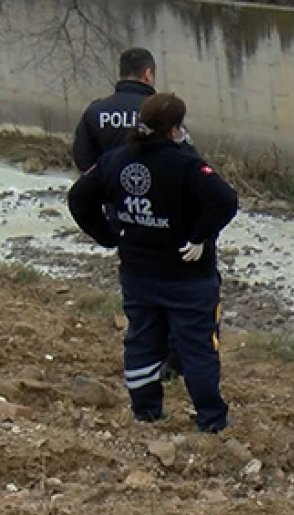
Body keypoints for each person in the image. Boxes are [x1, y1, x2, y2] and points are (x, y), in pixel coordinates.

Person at [66, 93, 238, 433]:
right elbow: (225, 200)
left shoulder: (115, 161)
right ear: (174, 128)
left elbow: (79, 198)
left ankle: (146, 412)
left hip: (138, 273)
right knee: (198, 347)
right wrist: (200, 236)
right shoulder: (186, 165)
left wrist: (108, 235)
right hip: (188, 277)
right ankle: (211, 420)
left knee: (142, 341)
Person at [72, 48, 157, 172]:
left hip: (107, 182)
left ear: (121, 74)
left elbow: (82, 159)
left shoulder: (95, 111)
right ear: (148, 75)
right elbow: (182, 156)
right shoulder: (163, 112)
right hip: (153, 182)